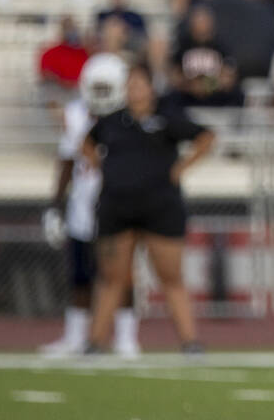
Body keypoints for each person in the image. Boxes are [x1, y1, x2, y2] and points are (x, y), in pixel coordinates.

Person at [83, 64, 214, 355]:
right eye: (130, 85)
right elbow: (86, 143)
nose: (134, 90)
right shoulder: (112, 121)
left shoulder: (167, 117)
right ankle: (94, 342)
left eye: (139, 84)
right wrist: (102, 168)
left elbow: (206, 137)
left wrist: (182, 168)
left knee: (170, 276)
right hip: (117, 208)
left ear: (150, 88)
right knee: (112, 278)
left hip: (160, 208)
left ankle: (190, 342)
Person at [40, 54, 140, 358]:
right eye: (95, 88)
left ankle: (126, 338)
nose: (100, 96)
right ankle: (74, 337)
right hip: (83, 207)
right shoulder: (75, 114)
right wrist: (55, 207)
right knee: (81, 274)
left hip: (120, 206)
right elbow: (67, 163)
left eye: (105, 88)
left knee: (122, 274)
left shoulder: (132, 118)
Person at [169, 5, 243, 108]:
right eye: (198, 21)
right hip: (188, 95)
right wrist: (190, 86)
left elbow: (229, 77)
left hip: (216, 95)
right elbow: (174, 76)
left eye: (204, 22)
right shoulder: (183, 46)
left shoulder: (221, 46)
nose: (201, 26)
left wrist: (207, 85)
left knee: (237, 93)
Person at [39, 17, 89, 91]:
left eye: (72, 28)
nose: (70, 31)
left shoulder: (84, 54)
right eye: (67, 28)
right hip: (57, 95)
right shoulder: (49, 54)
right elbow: (47, 77)